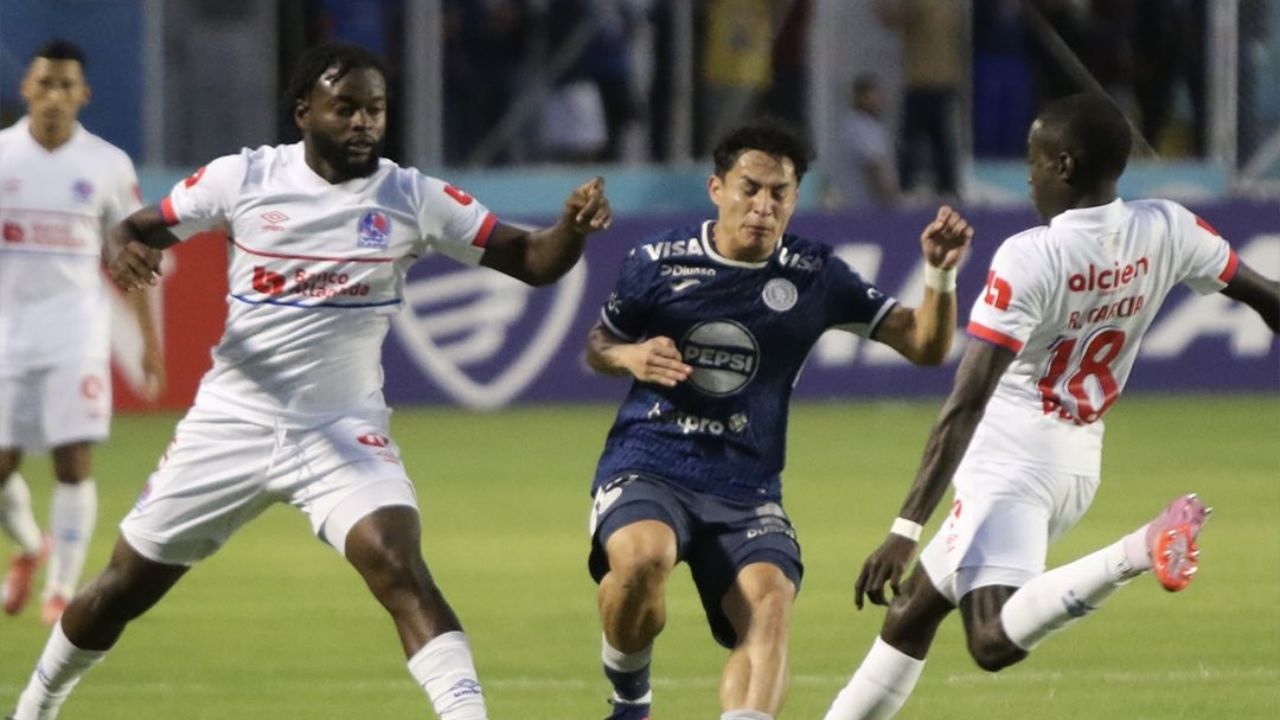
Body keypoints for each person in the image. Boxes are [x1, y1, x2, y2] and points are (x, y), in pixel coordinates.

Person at [6, 42, 611, 720]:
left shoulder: (410, 197)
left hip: (340, 429)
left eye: (375, 110)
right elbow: (136, 226)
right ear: (304, 112)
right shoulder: (244, 179)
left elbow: (529, 259)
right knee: (123, 586)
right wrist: (127, 251)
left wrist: (571, 230)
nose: (364, 123)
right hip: (231, 422)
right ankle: (35, 706)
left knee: (398, 564)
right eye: (346, 108)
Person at [823, 93, 1280, 720]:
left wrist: (904, 529)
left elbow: (966, 404)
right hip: (1077, 463)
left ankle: (1142, 547)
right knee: (910, 616)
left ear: (1063, 166)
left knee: (989, 640)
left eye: (1034, 161)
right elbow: (1268, 298)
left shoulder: (1031, 256)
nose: (1029, 175)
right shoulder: (1168, 226)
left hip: (1011, 463)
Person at [583, 119, 973, 720]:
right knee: (640, 561)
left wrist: (940, 275)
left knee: (770, 603)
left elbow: (925, 345)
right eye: (750, 188)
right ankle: (630, 700)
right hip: (650, 464)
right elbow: (599, 343)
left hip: (747, 485)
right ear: (717, 189)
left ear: (796, 198)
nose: (764, 207)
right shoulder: (658, 260)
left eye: (780, 193)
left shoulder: (814, 273)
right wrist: (630, 355)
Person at [0, 39, 165, 625]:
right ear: (27, 89)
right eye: (44, 84)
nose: (54, 96)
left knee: (73, 462)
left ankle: (61, 589)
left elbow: (137, 257)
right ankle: (30, 546)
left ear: (83, 95)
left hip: (75, 334)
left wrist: (151, 342)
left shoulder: (106, 165)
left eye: (66, 86)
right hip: (7, 334)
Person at [828, 73, 899, 209]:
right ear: (861, 97)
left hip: (850, 203)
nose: (880, 100)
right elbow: (874, 166)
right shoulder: (863, 127)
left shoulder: (848, 125)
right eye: (874, 95)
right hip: (868, 207)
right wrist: (892, 200)